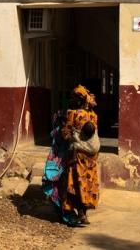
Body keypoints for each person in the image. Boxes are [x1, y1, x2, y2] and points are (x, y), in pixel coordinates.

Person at [42, 85, 100, 226]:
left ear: (79, 100)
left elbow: (65, 134)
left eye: (73, 98)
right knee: (87, 183)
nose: (71, 100)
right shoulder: (93, 115)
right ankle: (84, 215)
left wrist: (62, 126)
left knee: (76, 183)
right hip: (91, 157)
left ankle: (78, 214)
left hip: (76, 156)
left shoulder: (73, 114)